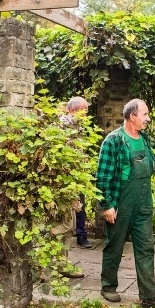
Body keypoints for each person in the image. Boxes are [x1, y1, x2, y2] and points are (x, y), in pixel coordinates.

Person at [97, 99, 155, 308]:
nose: (148, 118)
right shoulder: (113, 141)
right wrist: (107, 205)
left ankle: (150, 296)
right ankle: (108, 285)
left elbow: (149, 167)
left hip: (143, 203)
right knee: (115, 245)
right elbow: (103, 176)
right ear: (132, 116)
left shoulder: (145, 139)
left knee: (146, 248)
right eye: (145, 114)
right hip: (121, 202)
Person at [61, 96, 92, 249]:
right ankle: (70, 236)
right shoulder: (62, 126)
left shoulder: (78, 126)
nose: (86, 116)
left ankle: (81, 235)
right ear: (73, 110)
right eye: (84, 112)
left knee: (81, 204)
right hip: (65, 174)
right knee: (68, 207)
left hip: (78, 172)